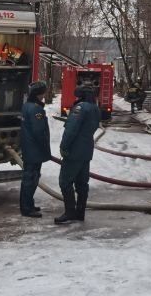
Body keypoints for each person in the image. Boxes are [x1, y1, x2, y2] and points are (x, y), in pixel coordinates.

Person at [54, 84, 102, 224]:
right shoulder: (95, 108)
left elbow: (71, 130)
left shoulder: (80, 108)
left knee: (65, 182)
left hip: (74, 151)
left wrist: (63, 146)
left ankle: (69, 212)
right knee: (82, 183)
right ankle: (80, 212)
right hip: (86, 151)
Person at [19, 80, 51, 218]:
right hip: (34, 150)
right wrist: (45, 149)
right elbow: (39, 132)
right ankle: (26, 208)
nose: (45, 94)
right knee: (31, 178)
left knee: (30, 177)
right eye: (43, 92)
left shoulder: (27, 106)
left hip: (28, 148)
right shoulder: (36, 110)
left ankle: (28, 204)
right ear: (39, 94)